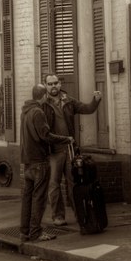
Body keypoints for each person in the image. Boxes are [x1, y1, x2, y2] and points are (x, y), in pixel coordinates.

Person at [42, 74, 101, 226]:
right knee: (54, 185)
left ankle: (79, 214)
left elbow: (87, 109)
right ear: (46, 86)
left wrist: (96, 100)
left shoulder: (69, 101)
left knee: (73, 182)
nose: (53, 86)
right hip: (53, 151)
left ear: (60, 84)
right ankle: (58, 216)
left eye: (55, 83)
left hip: (69, 150)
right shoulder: (42, 104)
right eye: (50, 84)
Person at [19, 84, 70, 242]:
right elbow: (46, 135)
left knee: (27, 198)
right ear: (42, 96)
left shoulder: (25, 112)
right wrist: (66, 139)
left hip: (27, 162)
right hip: (39, 161)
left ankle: (24, 231)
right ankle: (36, 232)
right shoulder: (38, 112)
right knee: (39, 199)